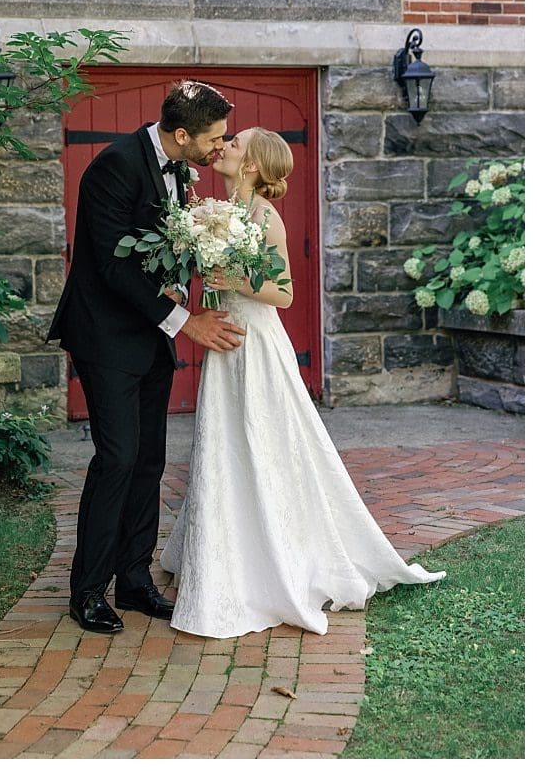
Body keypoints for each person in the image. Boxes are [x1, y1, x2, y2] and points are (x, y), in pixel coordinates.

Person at [162, 128, 443, 637]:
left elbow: (285, 293)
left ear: (251, 166)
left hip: (258, 344)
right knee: (226, 444)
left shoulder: (264, 218)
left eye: (237, 144)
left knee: (265, 443)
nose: (224, 146)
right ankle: (225, 547)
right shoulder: (213, 212)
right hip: (227, 339)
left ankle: (275, 558)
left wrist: (235, 282)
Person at [46, 80, 245, 634]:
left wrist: (177, 284)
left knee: (150, 460)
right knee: (117, 459)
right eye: (214, 138)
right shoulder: (113, 166)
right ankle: (87, 591)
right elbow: (111, 265)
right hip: (106, 336)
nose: (218, 148)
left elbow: (160, 247)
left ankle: (133, 580)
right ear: (182, 134)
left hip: (149, 334)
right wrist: (188, 323)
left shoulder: (179, 166)